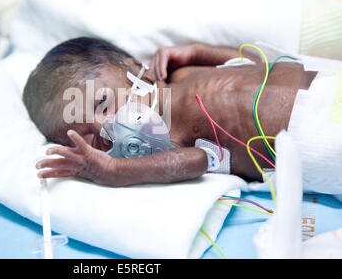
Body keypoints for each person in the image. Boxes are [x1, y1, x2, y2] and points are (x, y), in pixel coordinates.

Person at [23, 37, 317, 186]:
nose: (105, 126)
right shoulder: (164, 139)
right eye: (90, 138)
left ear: (136, 69)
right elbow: (199, 160)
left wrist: (199, 51)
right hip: (312, 138)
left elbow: (254, 64)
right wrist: (113, 170)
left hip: (323, 83)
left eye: (103, 104)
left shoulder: (182, 73)